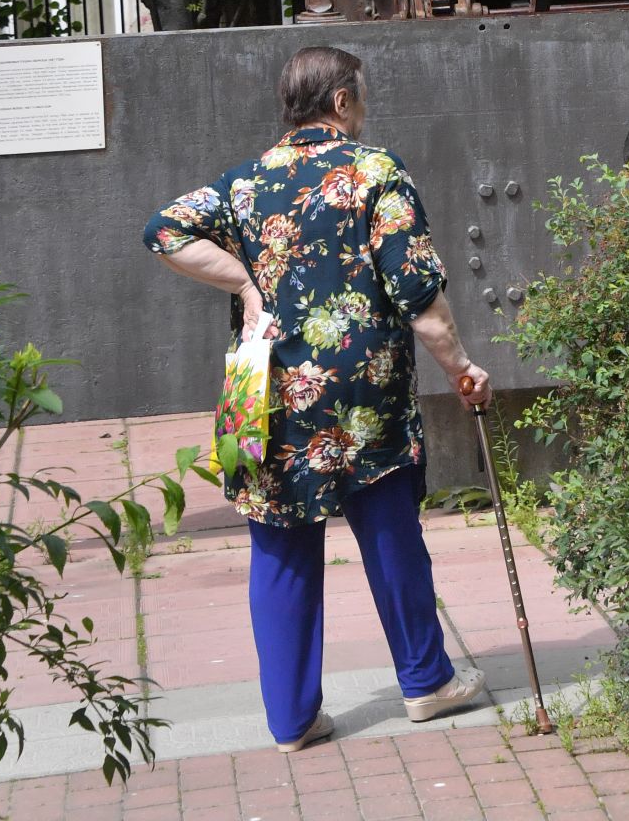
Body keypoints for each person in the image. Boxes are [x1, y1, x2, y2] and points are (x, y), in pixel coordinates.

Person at [142, 44, 492, 751]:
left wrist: (244, 284)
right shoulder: (374, 172)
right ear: (341, 102)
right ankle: (426, 682)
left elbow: (162, 231)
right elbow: (418, 295)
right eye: (361, 98)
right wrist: (462, 367)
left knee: (278, 546)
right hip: (363, 392)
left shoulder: (244, 184)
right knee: (390, 533)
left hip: (264, 390)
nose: (364, 111)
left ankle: (291, 719)